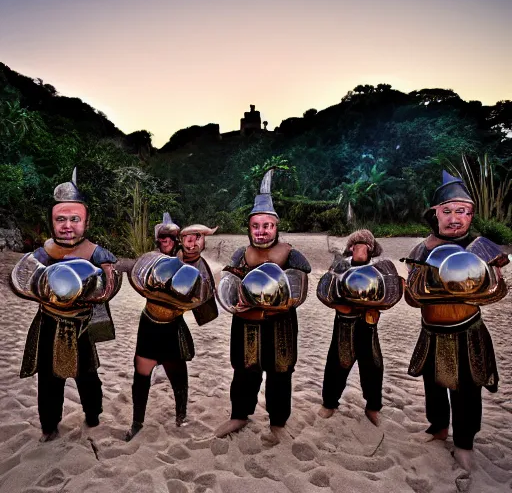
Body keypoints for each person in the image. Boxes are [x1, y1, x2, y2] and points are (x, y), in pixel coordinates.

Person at [403, 171, 509, 472]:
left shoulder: (482, 247)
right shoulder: (421, 250)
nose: (454, 218)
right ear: (434, 214)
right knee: (434, 385)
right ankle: (438, 428)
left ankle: (464, 443)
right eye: (447, 211)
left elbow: (496, 291)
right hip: (432, 331)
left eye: (461, 211)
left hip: (467, 331)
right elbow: (413, 297)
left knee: (466, 389)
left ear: (471, 214)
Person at [11, 168, 121, 442]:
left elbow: (110, 285)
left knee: (88, 376)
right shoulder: (43, 254)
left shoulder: (97, 254)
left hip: (83, 323)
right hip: (49, 321)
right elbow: (23, 279)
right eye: (61, 219)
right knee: (48, 381)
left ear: (86, 221)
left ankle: (93, 416)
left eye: (75, 219)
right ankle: (49, 427)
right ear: (52, 221)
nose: (67, 225)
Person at [215, 169, 311, 438]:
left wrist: (280, 303)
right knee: (245, 371)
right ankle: (239, 415)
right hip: (246, 323)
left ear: (276, 226)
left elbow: (299, 287)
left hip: (280, 324)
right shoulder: (241, 254)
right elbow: (228, 282)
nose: (261, 231)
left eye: (267, 226)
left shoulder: (291, 253)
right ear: (249, 228)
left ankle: (278, 422)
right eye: (256, 226)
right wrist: (234, 303)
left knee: (280, 372)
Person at [125, 214, 218, 441]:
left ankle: (181, 414)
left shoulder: (198, 265)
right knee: (142, 373)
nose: (192, 242)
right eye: (188, 238)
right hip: (149, 323)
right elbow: (140, 270)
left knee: (177, 370)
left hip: (173, 324)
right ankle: (137, 421)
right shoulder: (164, 259)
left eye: (197, 238)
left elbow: (205, 299)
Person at [317, 230, 403, 426]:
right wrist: (340, 306)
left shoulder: (380, 268)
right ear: (351, 247)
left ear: (372, 249)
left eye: (365, 245)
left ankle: (373, 406)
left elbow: (391, 292)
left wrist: (375, 306)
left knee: (373, 365)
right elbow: (325, 290)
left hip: (368, 323)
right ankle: (329, 403)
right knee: (336, 364)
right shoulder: (341, 265)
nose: (361, 248)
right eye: (357, 244)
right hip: (344, 322)